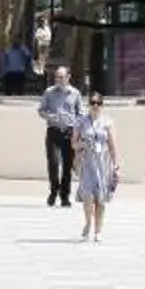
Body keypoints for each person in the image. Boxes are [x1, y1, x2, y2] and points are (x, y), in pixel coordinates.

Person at [72, 92, 121, 242]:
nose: (95, 106)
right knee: (88, 197)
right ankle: (88, 223)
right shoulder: (81, 122)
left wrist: (116, 164)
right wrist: (82, 144)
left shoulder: (107, 123)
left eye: (98, 103)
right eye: (92, 103)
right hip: (87, 163)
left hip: (103, 165)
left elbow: (112, 145)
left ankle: (98, 230)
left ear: (102, 105)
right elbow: (73, 144)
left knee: (101, 199)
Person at [37, 64, 85, 207]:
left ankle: (65, 195)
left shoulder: (75, 93)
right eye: (57, 76)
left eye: (62, 77)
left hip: (69, 133)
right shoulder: (49, 92)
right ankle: (54, 190)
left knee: (67, 166)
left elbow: (81, 113)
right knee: (53, 162)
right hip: (54, 131)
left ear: (68, 77)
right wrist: (50, 116)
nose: (59, 79)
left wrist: (77, 127)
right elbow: (41, 110)